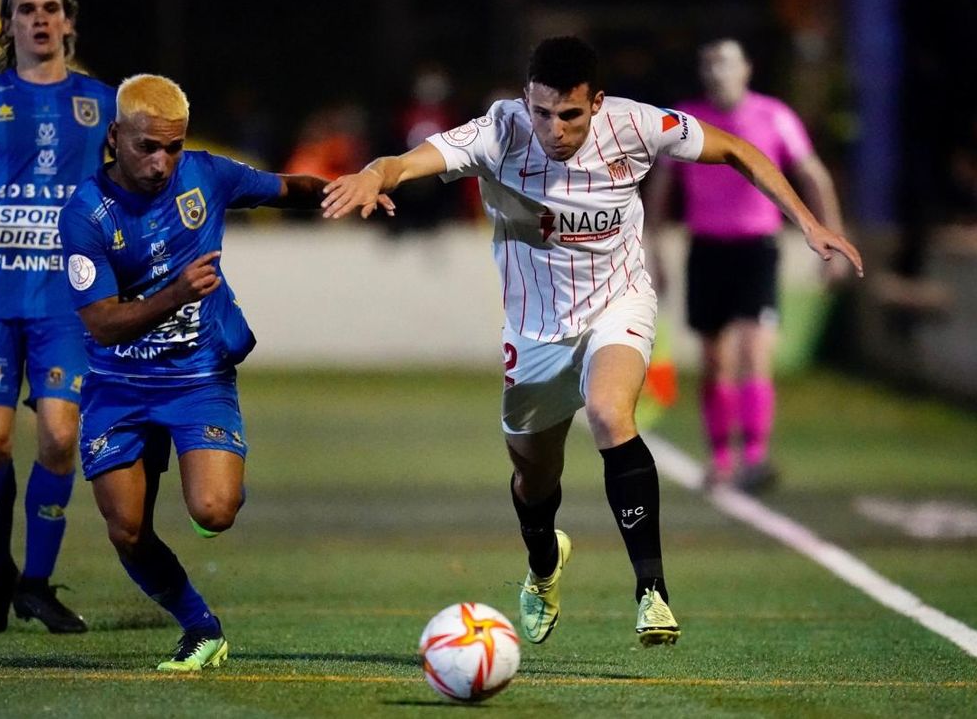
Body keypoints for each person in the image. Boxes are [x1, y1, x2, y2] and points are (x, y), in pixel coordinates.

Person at [322, 36, 862, 647]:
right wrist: (372, 174)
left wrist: (812, 225)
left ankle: (651, 592)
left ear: (597, 103)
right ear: (527, 99)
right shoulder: (499, 131)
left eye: (570, 115)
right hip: (534, 330)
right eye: (542, 112)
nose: (553, 129)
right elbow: (407, 161)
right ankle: (543, 564)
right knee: (533, 479)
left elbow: (736, 149)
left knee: (611, 413)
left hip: (618, 304)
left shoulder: (635, 125)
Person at [58, 73, 393, 671]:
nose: (162, 162)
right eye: (147, 147)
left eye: (174, 146)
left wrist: (345, 192)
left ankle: (218, 477)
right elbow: (103, 324)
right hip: (119, 383)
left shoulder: (207, 175)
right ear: (115, 137)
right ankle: (200, 627)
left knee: (214, 510)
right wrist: (175, 293)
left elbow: (285, 188)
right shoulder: (85, 213)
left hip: (198, 376)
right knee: (127, 529)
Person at [0, 0, 115, 634]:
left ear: (70, 20)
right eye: (26, 9)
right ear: (9, 24)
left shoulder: (104, 104)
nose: (40, 18)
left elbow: (138, 180)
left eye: (52, 7)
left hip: (66, 300)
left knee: (59, 436)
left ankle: (37, 586)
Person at [646, 38, 848, 492]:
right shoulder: (687, 122)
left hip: (756, 248)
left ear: (747, 69)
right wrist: (654, 249)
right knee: (716, 359)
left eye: (727, 63)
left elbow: (812, 174)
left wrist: (830, 234)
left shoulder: (774, 117)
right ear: (703, 71)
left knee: (755, 350)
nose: (719, 72)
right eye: (711, 63)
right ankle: (720, 459)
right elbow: (660, 187)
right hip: (707, 248)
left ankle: (755, 456)